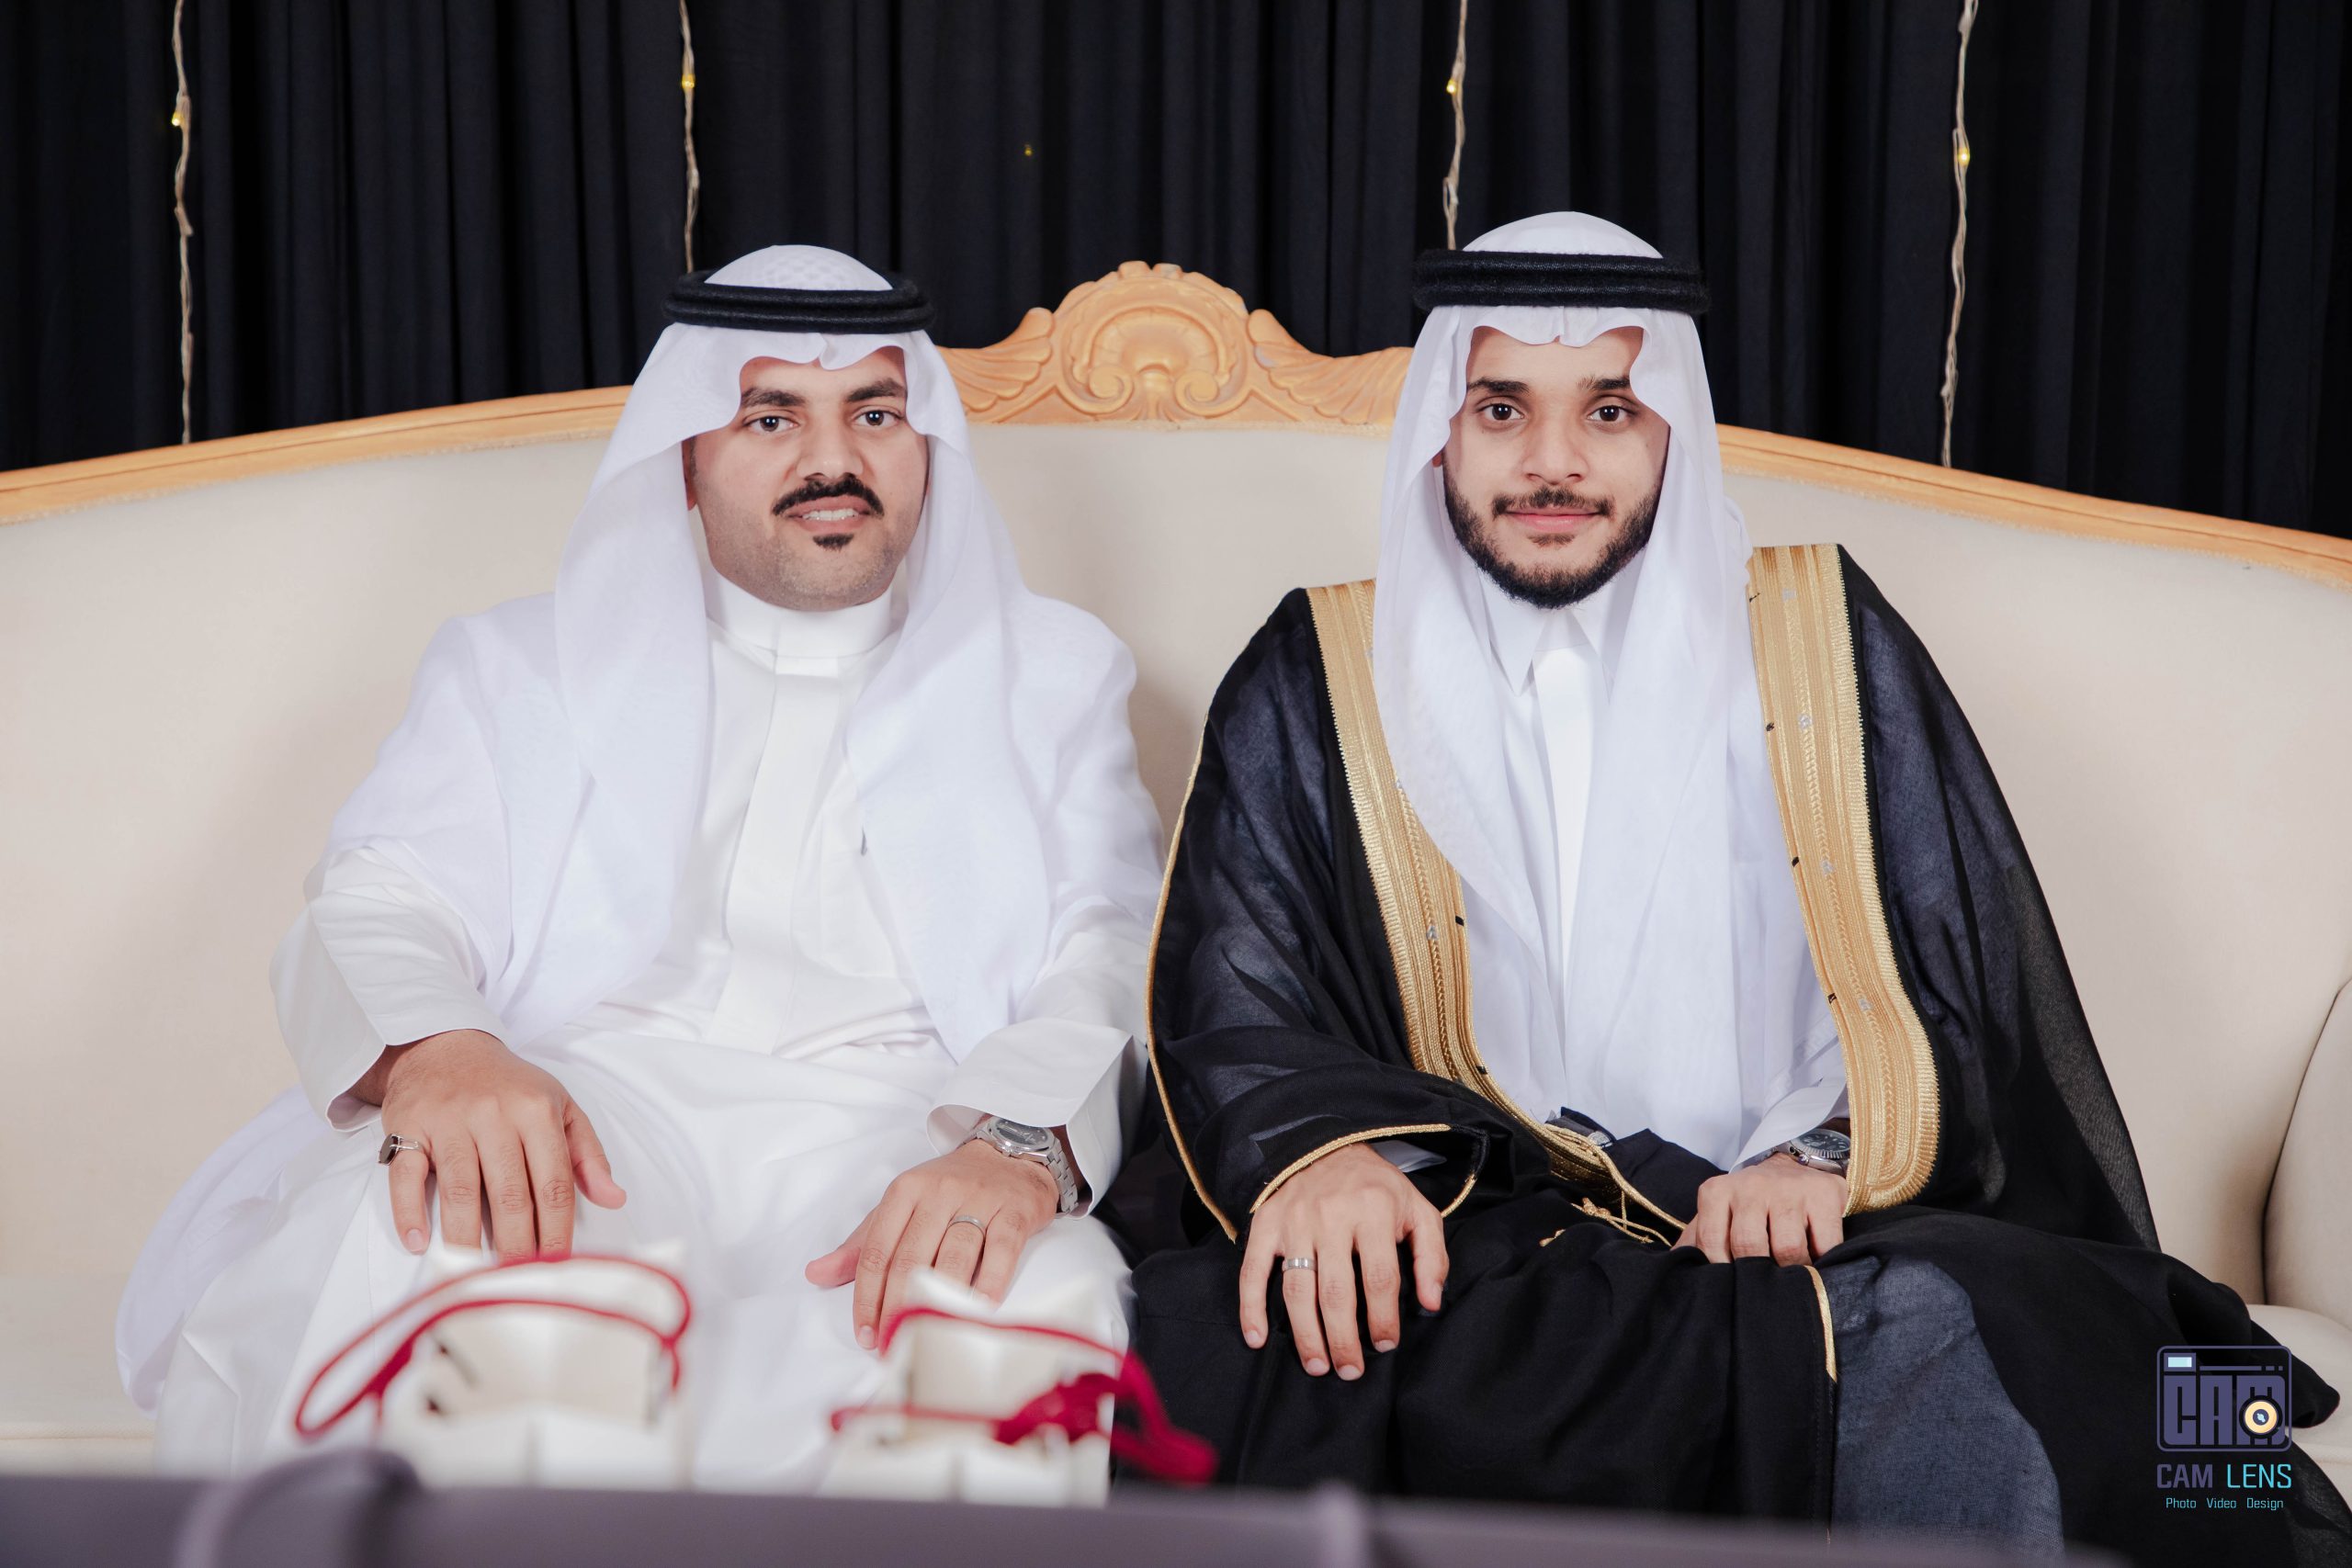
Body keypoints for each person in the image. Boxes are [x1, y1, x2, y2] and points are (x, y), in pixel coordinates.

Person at [1128, 211, 2348, 1563]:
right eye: (1502, 408)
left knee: (2096, 1363)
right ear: (1441, 433)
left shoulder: (1820, 633)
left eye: (1608, 410)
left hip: (1795, 1236)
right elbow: (1235, 981)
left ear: (1674, 432)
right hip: (1479, 1231)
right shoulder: (1321, 667)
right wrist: (1325, 1156)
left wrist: (1815, 1151)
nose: (1552, 461)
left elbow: (1943, 973)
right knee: (1266, 1340)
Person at [119, 245, 1164, 1487]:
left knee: (1036, 1297)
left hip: (914, 1129)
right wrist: (444, 1051)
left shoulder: (1054, 677)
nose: (833, 459)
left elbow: (1114, 947)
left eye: (875, 415)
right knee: (446, 1225)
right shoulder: (518, 666)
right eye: (770, 418)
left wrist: (1017, 1145)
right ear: (683, 456)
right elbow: (382, 897)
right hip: (593, 1106)